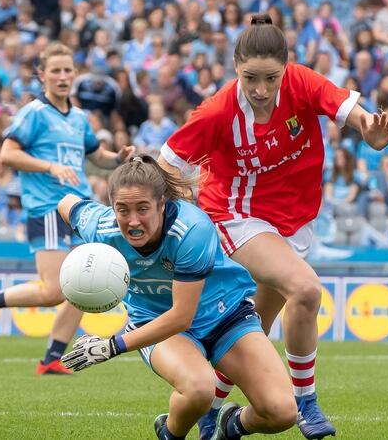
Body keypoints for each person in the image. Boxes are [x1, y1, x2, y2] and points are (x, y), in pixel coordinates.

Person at [157, 14, 388, 439]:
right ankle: (306, 403)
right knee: (305, 290)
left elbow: (352, 113)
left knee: (251, 328)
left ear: (286, 69)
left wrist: (369, 133)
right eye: (251, 78)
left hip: (296, 221)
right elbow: (166, 165)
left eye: (271, 78)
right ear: (235, 67)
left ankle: (218, 418)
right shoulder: (217, 112)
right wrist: (169, 223)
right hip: (236, 215)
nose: (261, 90)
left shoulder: (303, 83)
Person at [56, 156, 297, 440]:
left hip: (226, 316)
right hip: (155, 321)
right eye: (122, 210)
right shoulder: (103, 227)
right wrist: (91, 257)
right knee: (199, 389)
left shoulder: (191, 229)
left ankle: (230, 425)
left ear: (162, 204)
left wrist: (113, 345)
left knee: (281, 413)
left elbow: (182, 316)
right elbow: (66, 203)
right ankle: (170, 433)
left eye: (143, 209)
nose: (132, 220)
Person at [0, 43, 135, 375]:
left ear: (74, 74)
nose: (62, 76)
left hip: (80, 209)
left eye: (67, 70)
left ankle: (52, 358)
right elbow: (7, 154)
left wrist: (117, 158)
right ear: (42, 75)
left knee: (86, 285)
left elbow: (95, 155)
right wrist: (49, 167)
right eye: (55, 71)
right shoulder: (35, 112)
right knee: (54, 291)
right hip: (48, 209)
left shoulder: (80, 117)